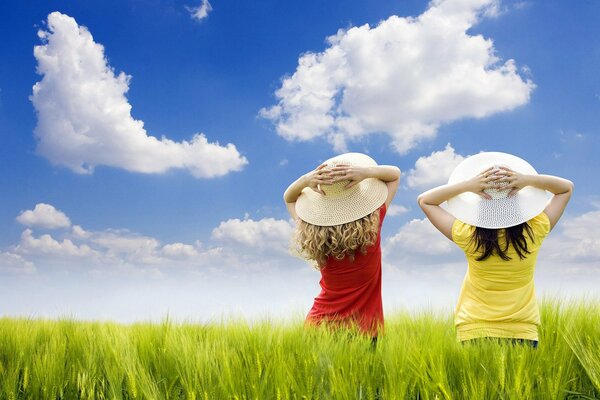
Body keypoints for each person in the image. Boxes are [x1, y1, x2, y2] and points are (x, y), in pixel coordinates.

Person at [417, 152, 573, 346]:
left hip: (473, 329)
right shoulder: (535, 230)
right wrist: (527, 180)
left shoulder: (467, 234)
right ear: (518, 200)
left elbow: (425, 200)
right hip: (522, 330)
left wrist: (467, 186)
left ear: (480, 202)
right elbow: (566, 189)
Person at [284, 153, 400, 339]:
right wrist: (365, 173)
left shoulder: (311, 230)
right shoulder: (372, 226)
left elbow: (289, 198)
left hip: (319, 328)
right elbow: (394, 174)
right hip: (365, 330)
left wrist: (306, 180)